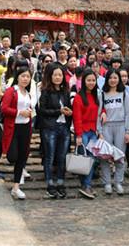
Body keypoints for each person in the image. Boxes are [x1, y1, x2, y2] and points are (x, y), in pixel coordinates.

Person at [38, 63, 73, 199]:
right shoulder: (45, 91)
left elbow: (69, 107)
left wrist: (69, 112)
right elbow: (42, 111)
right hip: (50, 127)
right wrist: (59, 111)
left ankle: (60, 182)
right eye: (55, 75)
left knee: (62, 157)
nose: (58, 77)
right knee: (50, 156)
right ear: (50, 76)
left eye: (60, 75)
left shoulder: (65, 91)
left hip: (64, 128)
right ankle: (50, 183)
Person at [1, 67, 36, 200]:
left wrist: (29, 112)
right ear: (17, 77)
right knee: (13, 156)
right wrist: (19, 112)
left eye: (28, 77)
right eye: (23, 76)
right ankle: (17, 178)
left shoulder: (27, 93)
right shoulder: (12, 91)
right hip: (13, 127)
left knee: (22, 157)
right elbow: (4, 108)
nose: (25, 79)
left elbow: (29, 109)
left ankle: (16, 187)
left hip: (25, 127)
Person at [97, 69, 129, 195]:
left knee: (120, 156)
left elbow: (128, 114)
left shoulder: (124, 94)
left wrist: (127, 131)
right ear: (107, 79)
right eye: (110, 78)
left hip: (121, 126)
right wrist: (99, 131)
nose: (113, 80)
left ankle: (118, 182)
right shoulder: (102, 94)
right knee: (105, 156)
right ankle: (107, 183)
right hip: (106, 127)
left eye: (115, 77)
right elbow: (98, 114)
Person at [73, 69, 100, 199]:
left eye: (93, 80)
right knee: (85, 158)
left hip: (93, 132)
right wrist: (78, 135)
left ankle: (86, 185)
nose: (91, 83)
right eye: (88, 80)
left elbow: (100, 110)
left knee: (92, 159)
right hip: (83, 131)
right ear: (84, 81)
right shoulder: (79, 97)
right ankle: (86, 185)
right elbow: (77, 117)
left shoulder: (97, 96)